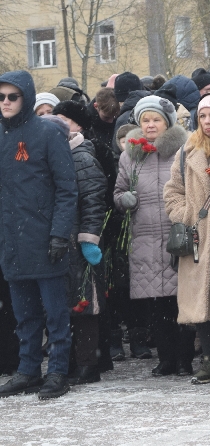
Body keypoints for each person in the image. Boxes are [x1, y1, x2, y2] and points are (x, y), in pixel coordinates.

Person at [0, 70, 79, 400]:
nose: (5, 102)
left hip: (45, 239)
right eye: (1, 97)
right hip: (11, 241)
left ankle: (58, 371)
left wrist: (59, 233)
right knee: (24, 316)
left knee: (56, 314)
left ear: (26, 97)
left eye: (12, 96)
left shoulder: (47, 132)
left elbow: (67, 188)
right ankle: (28, 369)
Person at [115, 95, 193, 377]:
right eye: (145, 120)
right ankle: (166, 358)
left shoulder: (184, 150)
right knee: (157, 305)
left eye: (156, 120)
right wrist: (124, 199)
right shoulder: (130, 155)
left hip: (177, 236)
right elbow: (118, 191)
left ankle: (184, 358)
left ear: (167, 122)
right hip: (145, 239)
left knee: (181, 301)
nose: (150, 125)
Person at [164, 93, 210, 384]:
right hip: (196, 235)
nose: (208, 122)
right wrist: (185, 215)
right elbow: (172, 191)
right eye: (203, 116)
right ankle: (207, 358)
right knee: (199, 297)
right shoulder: (186, 151)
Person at [42, 114, 106, 386]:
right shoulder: (45, 158)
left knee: (84, 303)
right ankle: (66, 362)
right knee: (60, 304)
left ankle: (88, 363)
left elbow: (94, 201)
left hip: (77, 240)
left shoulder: (81, 158)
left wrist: (88, 238)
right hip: (54, 241)